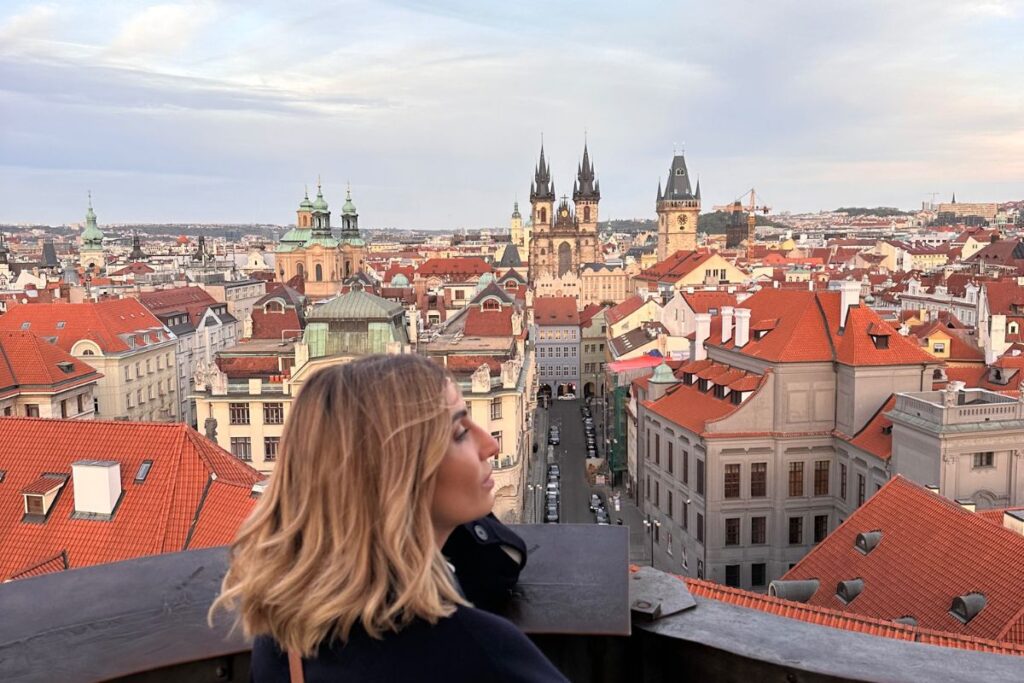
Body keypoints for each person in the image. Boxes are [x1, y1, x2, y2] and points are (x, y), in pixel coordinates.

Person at [209, 354, 567, 682]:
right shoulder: (477, 652)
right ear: (403, 475)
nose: (490, 444)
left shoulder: (283, 637)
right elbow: (505, 557)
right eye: (459, 432)